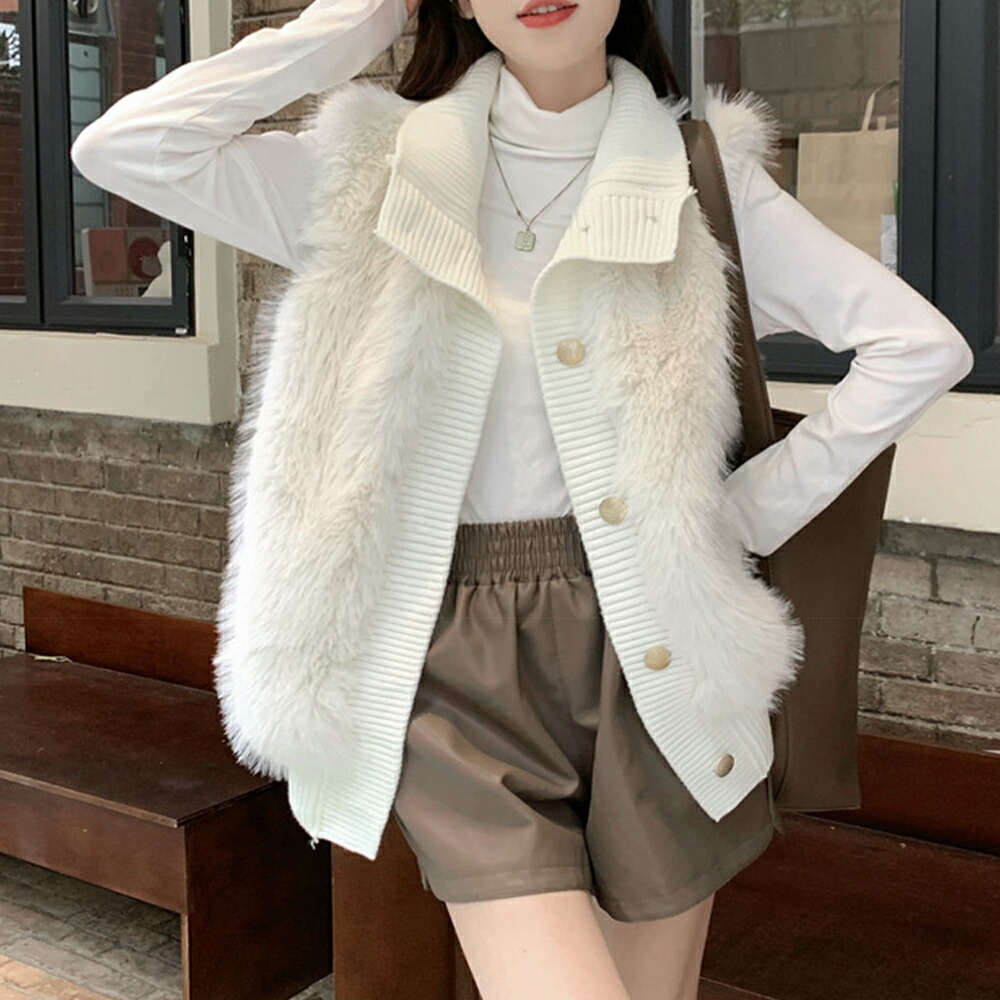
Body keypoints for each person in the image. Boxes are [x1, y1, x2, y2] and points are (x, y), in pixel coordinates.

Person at [70, 1, 974, 998]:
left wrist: (742, 511)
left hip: (659, 645)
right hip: (452, 670)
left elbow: (919, 347)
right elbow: (127, 148)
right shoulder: (371, 172)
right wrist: (360, 20)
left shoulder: (699, 180)